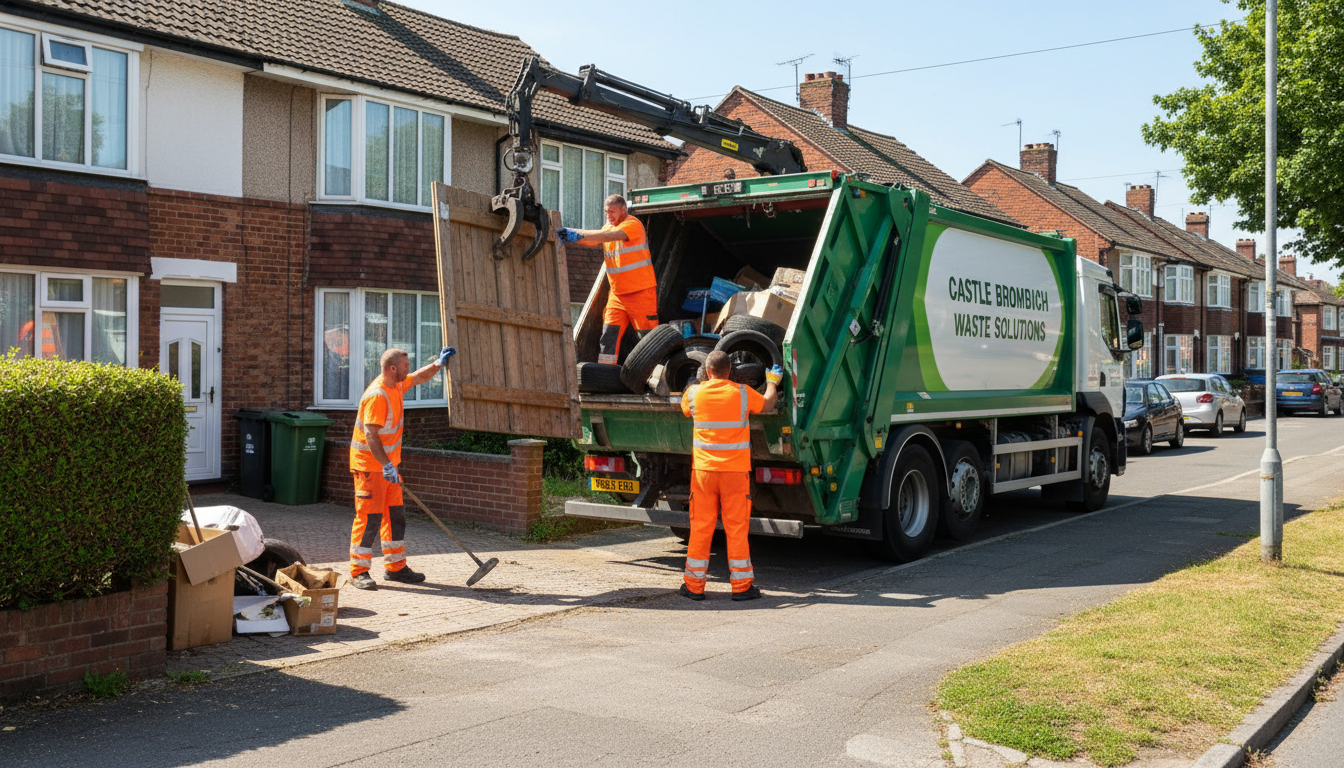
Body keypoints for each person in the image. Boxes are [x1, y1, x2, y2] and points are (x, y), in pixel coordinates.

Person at [348, 345, 455, 590]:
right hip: (370, 469)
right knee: (369, 519)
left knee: (396, 517)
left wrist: (438, 364)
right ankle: (358, 571)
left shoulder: (396, 385)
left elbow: (418, 377)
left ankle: (395, 568)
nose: (409, 369)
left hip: (388, 468)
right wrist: (386, 465)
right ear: (392, 368)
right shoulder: (378, 395)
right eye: (405, 366)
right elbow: (371, 435)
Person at [678, 351, 782, 601]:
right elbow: (768, 404)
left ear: (708, 371)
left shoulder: (694, 393)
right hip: (735, 474)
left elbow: (685, 409)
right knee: (736, 529)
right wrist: (772, 381)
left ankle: (694, 586)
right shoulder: (743, 393)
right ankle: (741, 587)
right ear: (730, 371)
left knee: (701, 527)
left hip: (704, 474)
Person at [556, 194, 658, 365]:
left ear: (623, 210)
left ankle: (656, 372)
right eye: (606, 212)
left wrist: (574, 233)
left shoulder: (633, 225)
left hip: (640, 292)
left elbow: (605, 237)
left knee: (648, 338)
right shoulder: (608, 227)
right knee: (609, 336)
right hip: (618, 294)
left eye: (612, 212)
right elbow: (594, 239)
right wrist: (572, 237)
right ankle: (605, 372)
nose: (609, 216)